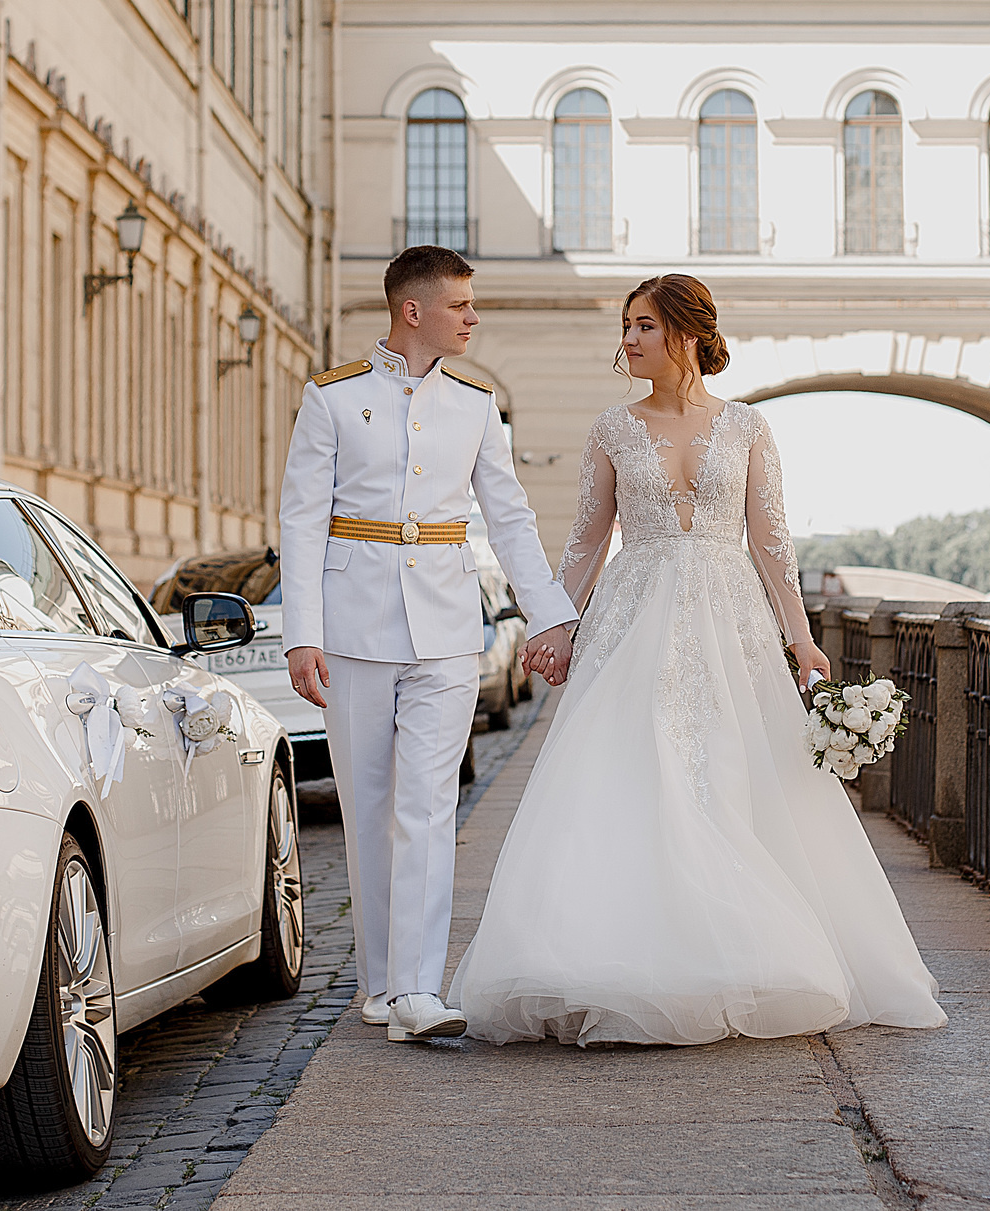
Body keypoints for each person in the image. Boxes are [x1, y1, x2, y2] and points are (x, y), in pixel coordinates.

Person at [452, 274, 947, 1046]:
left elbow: (771, 544)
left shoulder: (747, 426)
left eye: (643, 325)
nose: (628, 340)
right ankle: (617, 957)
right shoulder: (612, 428)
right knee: (629, 773)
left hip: (730, 618)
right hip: (632, 614)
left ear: (685, 333)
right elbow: (588, 540)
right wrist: (553, 622)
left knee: (732, 770)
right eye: (626, 325)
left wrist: (802, 636)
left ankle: (744, 955)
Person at [278, 246, 578, 1043]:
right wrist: (301, 634)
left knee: (427, 806)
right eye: (461, 305)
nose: (474, 318)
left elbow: (510, 520)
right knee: (369, 808)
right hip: (353, 628)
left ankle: (417, 988)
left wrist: (548, 615)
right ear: (413, 310)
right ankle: (380, 985)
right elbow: (302, 522)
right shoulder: (332, 399)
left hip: (447, 629)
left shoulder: (477, 405)